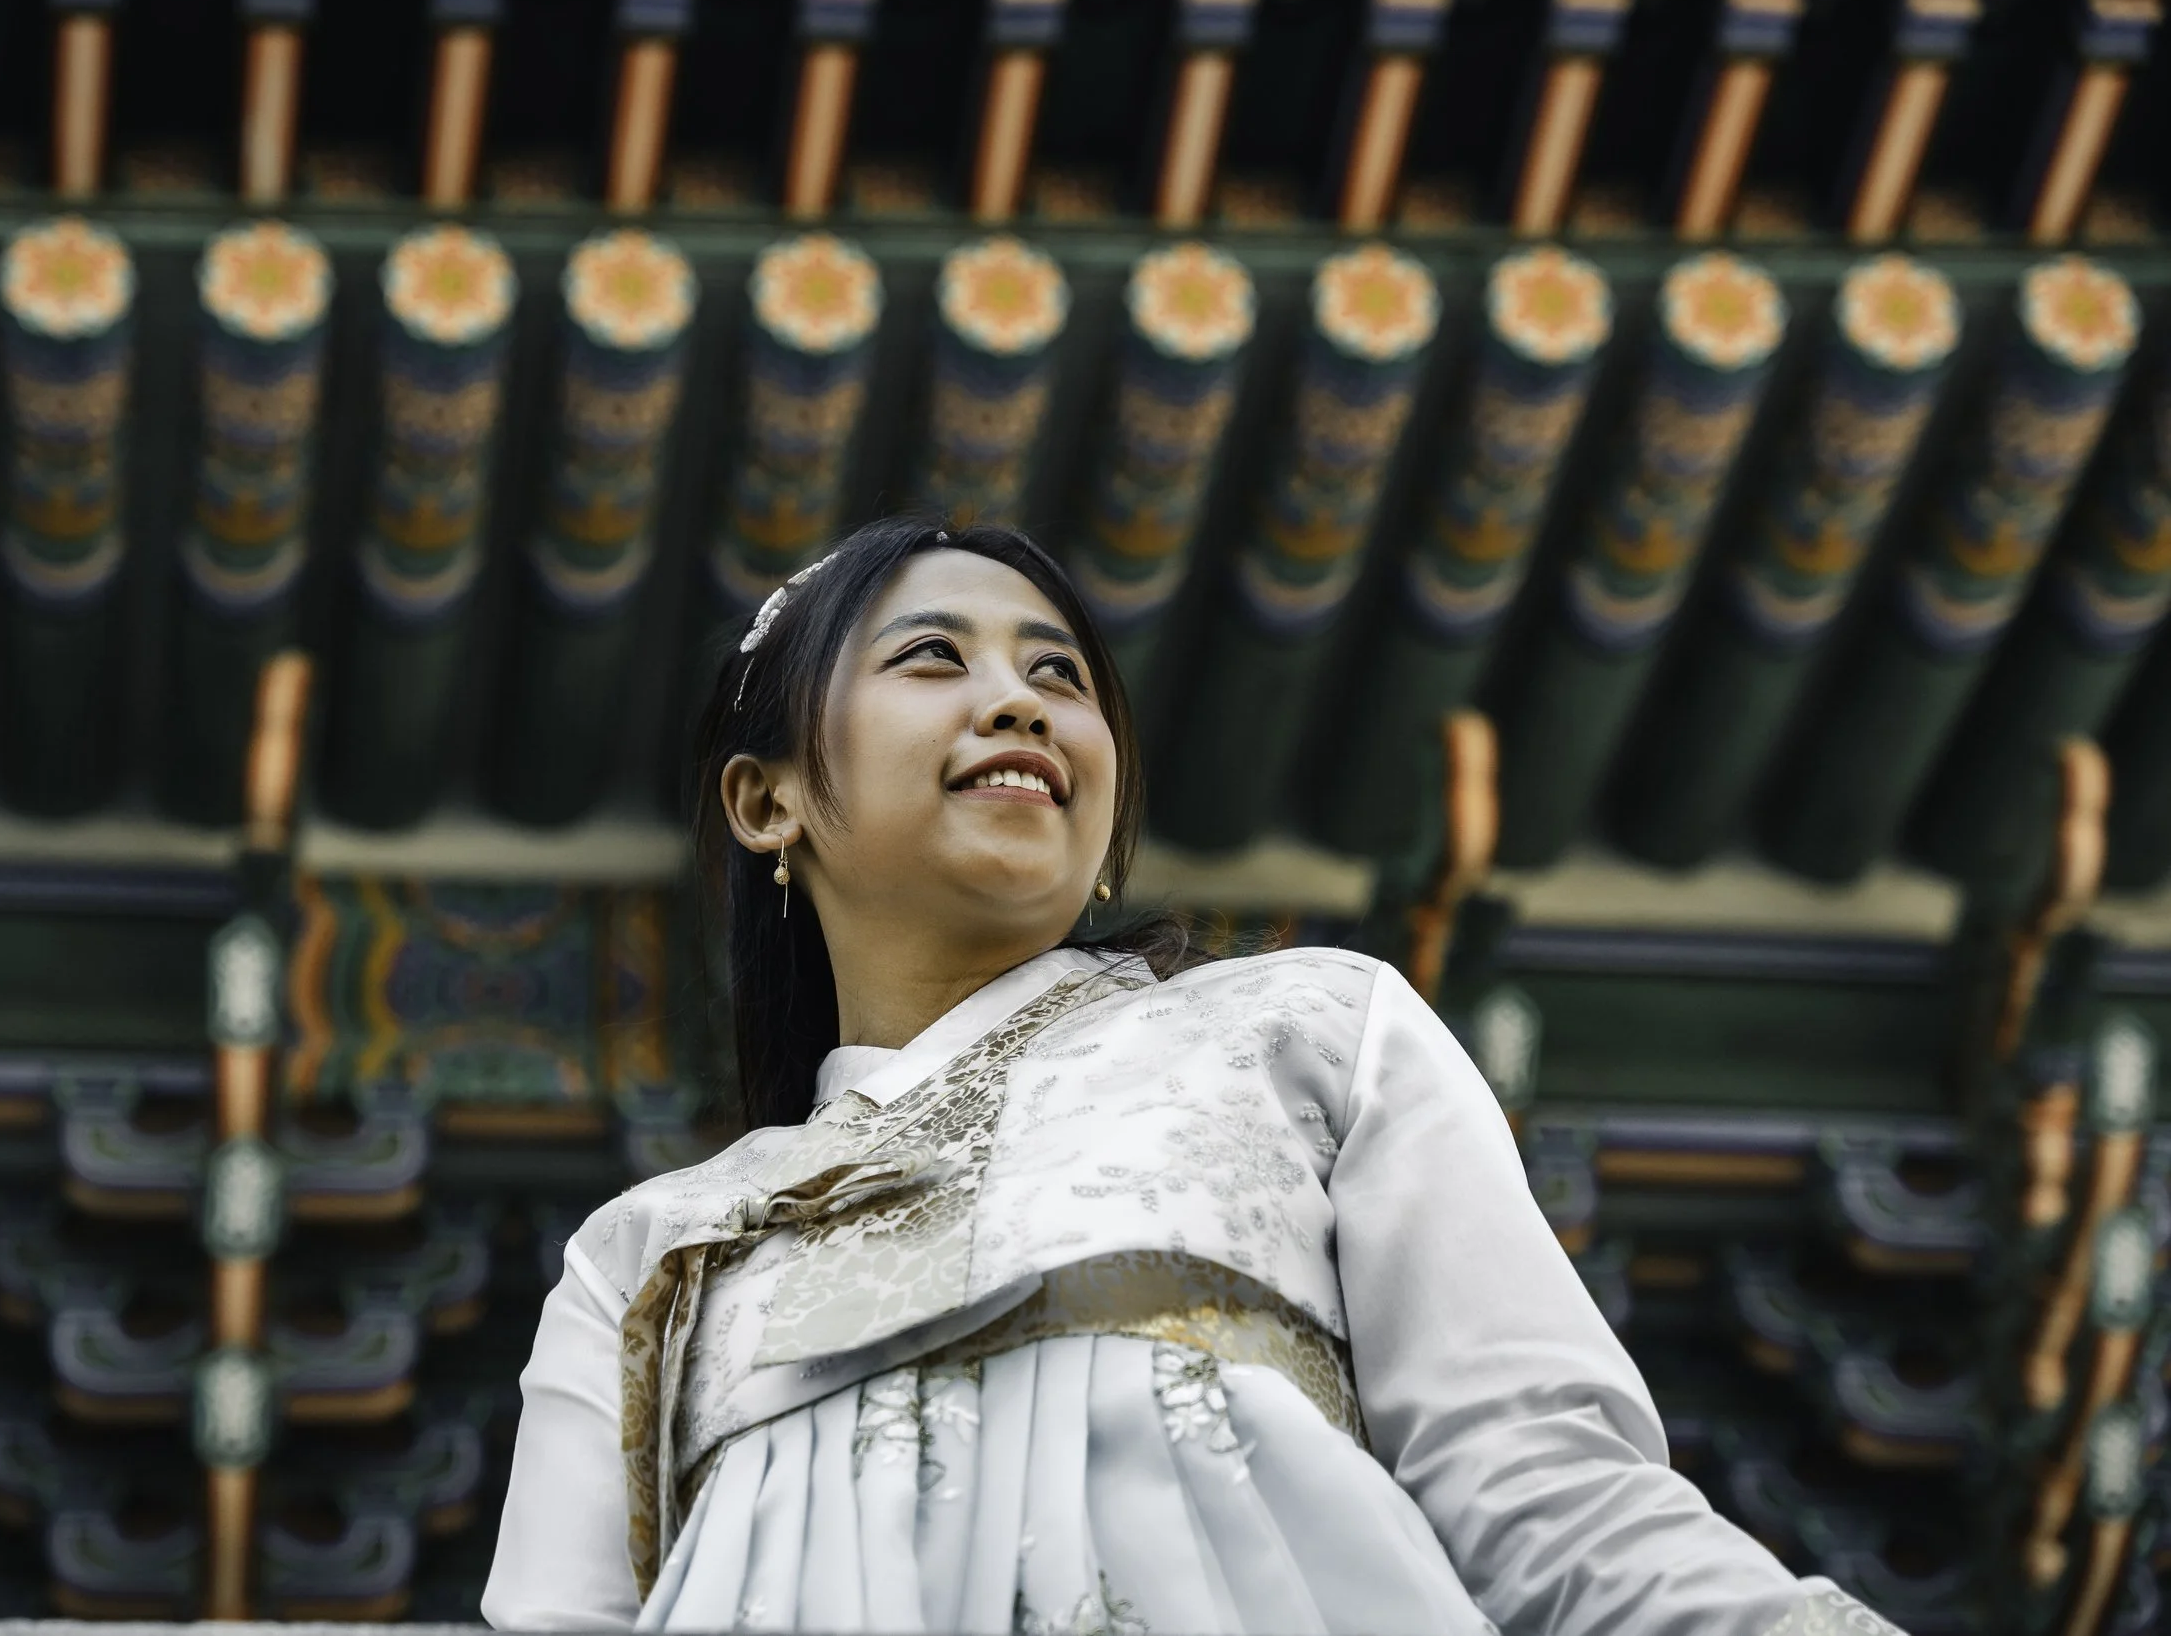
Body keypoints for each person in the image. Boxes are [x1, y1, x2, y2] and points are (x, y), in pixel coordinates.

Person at [482, 517, 1901, 1635]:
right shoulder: (651, 1254)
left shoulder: (1312, 1031)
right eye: (933, 658)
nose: (1018, 704)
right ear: (767, 798)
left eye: (1060, 676)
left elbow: (1540, 1490)